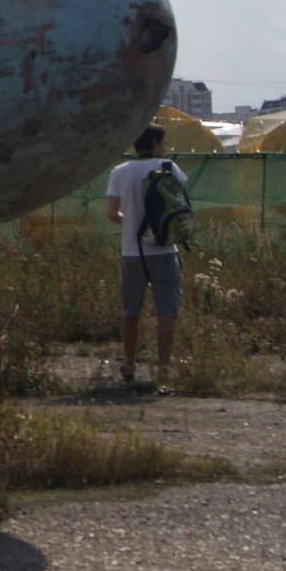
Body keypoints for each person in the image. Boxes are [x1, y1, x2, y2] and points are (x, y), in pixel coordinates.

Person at [107, 125, 186, 388]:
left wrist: (133, 224)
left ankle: (130, 366)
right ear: (154, 143)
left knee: (131, 312)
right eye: (163, 142)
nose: (165, 147)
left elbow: (112, 214)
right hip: (164, 250)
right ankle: (163, 371)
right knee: (166, 312)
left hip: (132, 253)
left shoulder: (119, 172)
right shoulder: (169, 167)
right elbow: (179, 207)